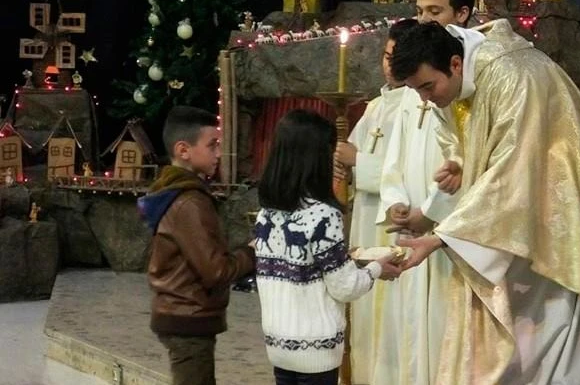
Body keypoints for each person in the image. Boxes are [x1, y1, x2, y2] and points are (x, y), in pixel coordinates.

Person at [390, 19, 580, 384]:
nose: (425, 99)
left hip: (554, 210)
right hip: (508, 210)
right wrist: (461, 161)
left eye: (427, 86)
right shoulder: (461, 74)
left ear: (455, 64)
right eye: (416, 91)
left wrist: (441, 238)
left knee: (548, 331)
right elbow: (467, 136)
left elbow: (515, 167)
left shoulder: (513, 75)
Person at [367, 0, 471, 385]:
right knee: (408, 331)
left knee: (443, 331)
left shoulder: (465, 80)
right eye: (420, 11)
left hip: (448, 232)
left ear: (462, 14)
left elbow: (466, 162)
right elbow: (395, 157)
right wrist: (396, 201)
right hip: (413, 227)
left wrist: (430, 212)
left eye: (435, 11)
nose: (425, 20)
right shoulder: (416, 86)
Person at [254, 110, 402, 385]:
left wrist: (347, 260)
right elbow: (344, 287)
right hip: (316, 348)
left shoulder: (266, 214)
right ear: (318, 157)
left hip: (278, 344)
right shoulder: (323, 214)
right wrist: (376, 268)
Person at [139, 106, 255, 385]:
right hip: (188, 318)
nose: (219, 153)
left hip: (182, 315)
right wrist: (253, 253)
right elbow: (216, 270)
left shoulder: (175, 192)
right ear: (183, 150)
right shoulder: (189, 201)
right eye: (212, 145)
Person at [332, 18, 415, 384]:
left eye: (396, 57)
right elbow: (348, 159)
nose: (389, 65)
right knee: (364, 317)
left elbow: (412, 174)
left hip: (394, 226)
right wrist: (342, 165)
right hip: (366, 218)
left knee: (391, 322)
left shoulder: (419, 107)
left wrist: (358, 162)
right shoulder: (376, 107)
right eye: (385, 56)